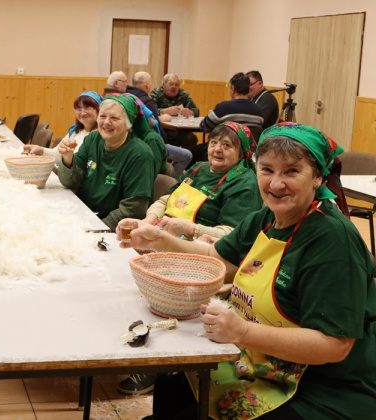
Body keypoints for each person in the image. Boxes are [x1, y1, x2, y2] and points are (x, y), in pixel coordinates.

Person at [121, 123, 376, 420]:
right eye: (267, 170)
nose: (276, 184)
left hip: (323, 387)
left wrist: (242, 332)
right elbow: (220, 259)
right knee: (172, 386)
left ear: (318, 176)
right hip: (262, 362)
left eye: (292, 172)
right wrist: (159, 239)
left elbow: (334, 346)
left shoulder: (332, 241)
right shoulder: (269, 216)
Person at [57, 93, 157, 231]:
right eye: (102, 116)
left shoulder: (140, 155)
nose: (106, 122)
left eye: (114, 118)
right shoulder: (93, 139)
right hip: (82, 215)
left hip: (112, 231)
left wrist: (94, 229)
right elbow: (70, 182)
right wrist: (68, 157)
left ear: (128, 125)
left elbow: (134, 209)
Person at [133, 71, 193, 175]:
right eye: (171, 84)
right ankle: (171, 179)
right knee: (185, 153)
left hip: (178, 129)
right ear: (163, 85)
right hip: (160, 135)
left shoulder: (184, 94)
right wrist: (164, 111)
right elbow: (155, 120)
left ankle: (185, 173)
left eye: (176, 84)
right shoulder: (153, 95)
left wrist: (190, 112)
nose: (174, 87)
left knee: (191, 138)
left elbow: (196, 110)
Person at [23, 91, 102, 157]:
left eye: (87, 108)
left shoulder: (101, 136)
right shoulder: (76, 131)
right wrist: (41, 150)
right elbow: (58, 154)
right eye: (78, 109)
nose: (82, 113)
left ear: (99, 110)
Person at [200, 72, 264, 133]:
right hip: (249, 144)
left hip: (226, 144)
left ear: (233, 89)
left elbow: (204, 126)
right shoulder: (258, 111)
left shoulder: (223, 107)